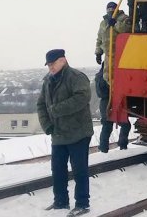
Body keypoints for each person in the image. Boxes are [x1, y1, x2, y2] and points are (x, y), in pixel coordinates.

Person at [37, 49, 93, 216]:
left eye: (53, 63)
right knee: (58, 169)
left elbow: (82, 98)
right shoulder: (47, 81)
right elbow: (41, 104)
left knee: (79, 169)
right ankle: (60, 201)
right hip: (58, 133)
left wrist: (56, 110)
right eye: (48, 65)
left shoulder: (76, 77)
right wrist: (47, 124)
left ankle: (82, 203)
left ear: (63, 60)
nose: (51, 67)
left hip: (78, 133)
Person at [95, 63, 131, 152]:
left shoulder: (98, 77)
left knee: (107, 126)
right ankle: (123, 146)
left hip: (104, 102)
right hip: (113, 101)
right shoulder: (108, 76)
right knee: (125, 125)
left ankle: (103, 148)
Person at [94, 2, 131, 83]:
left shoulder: (124, 18)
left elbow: (127, 29)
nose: (110, 10)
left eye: (112, 8)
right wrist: (98, 53)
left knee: (121, 76)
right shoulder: (103, 23)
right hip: (108, 55)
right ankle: (112, 93)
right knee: (107, 76)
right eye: (109, 9)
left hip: (121, 54)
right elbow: (100, 39)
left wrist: (115, 24)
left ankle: (117, 91)